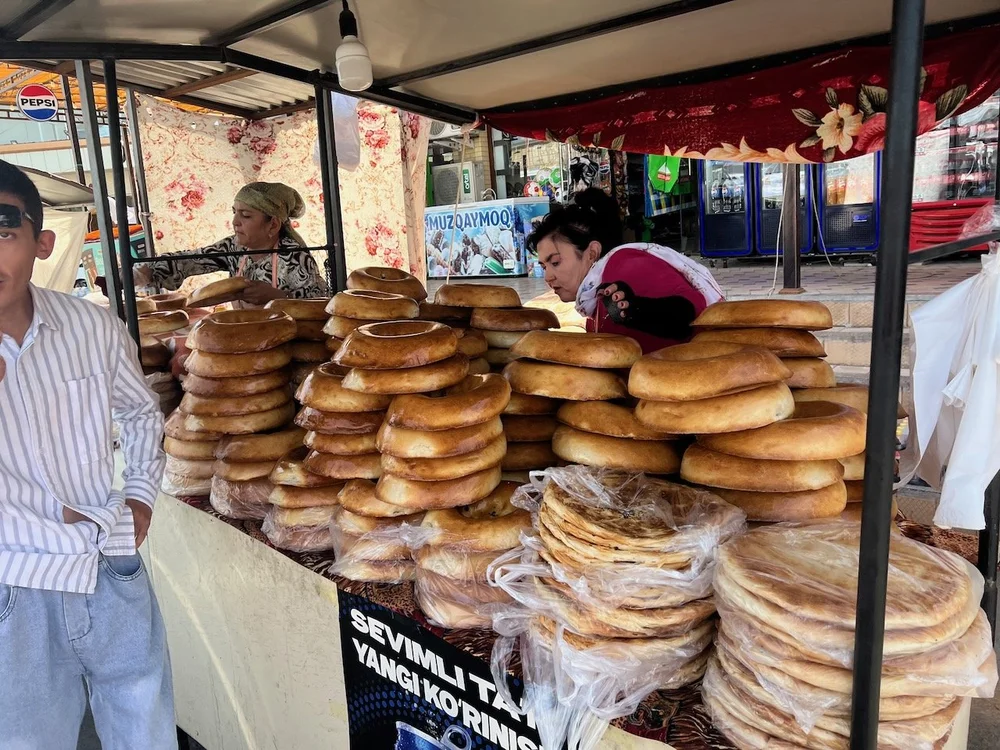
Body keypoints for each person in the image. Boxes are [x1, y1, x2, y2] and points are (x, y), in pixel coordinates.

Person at [0, 160, 175, 748]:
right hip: (12, 584)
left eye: (3, 230)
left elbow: (140, 411)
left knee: (144, 732)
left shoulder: (90, 327)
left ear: (42, 243)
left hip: (108, 563)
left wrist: (140, 497)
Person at [530, 188, 724, 353]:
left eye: (555, 262)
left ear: (592, 253)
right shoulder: (596, 298)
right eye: (544, 266)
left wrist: (638, 310)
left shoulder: (625, 264)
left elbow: (689, 313)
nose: (548, 277)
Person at [137, 181, 329, 305]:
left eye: (245, 215)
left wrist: (279, 297)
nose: (235, 221)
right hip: (244, 335)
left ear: (273, 224)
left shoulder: (295, 256)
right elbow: (193, 259)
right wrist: (148, 270)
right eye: (234, 212)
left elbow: (321, 301)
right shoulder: (234, 247)